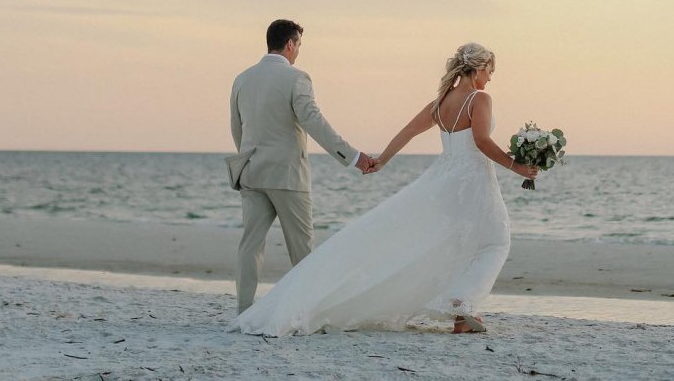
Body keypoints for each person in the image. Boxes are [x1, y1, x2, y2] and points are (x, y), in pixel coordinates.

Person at [231, 42, 538, 336]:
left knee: (461, 241)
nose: (489, 78)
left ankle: (462, 313)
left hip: (445, 180)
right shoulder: (480, 99)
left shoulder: (441, 101)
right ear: (479, 68)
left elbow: (409, 131)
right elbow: (482, 142)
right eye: (489, 72)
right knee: (496, 240)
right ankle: (462, 303)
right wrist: (518, 167)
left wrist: (382, 161)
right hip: (473, 182)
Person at [229, 19, 375, 314]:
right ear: (290, 44)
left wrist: (248, 159)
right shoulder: (296, 78)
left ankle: (243, 311)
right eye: (299, 46)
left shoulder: (242, 79)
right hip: (287, 175)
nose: (299, 53)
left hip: (251, 172)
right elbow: (314, 122)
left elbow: (237, 128)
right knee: (302, 250)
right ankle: (306, 310)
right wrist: (353, 157)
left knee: (250, 246)